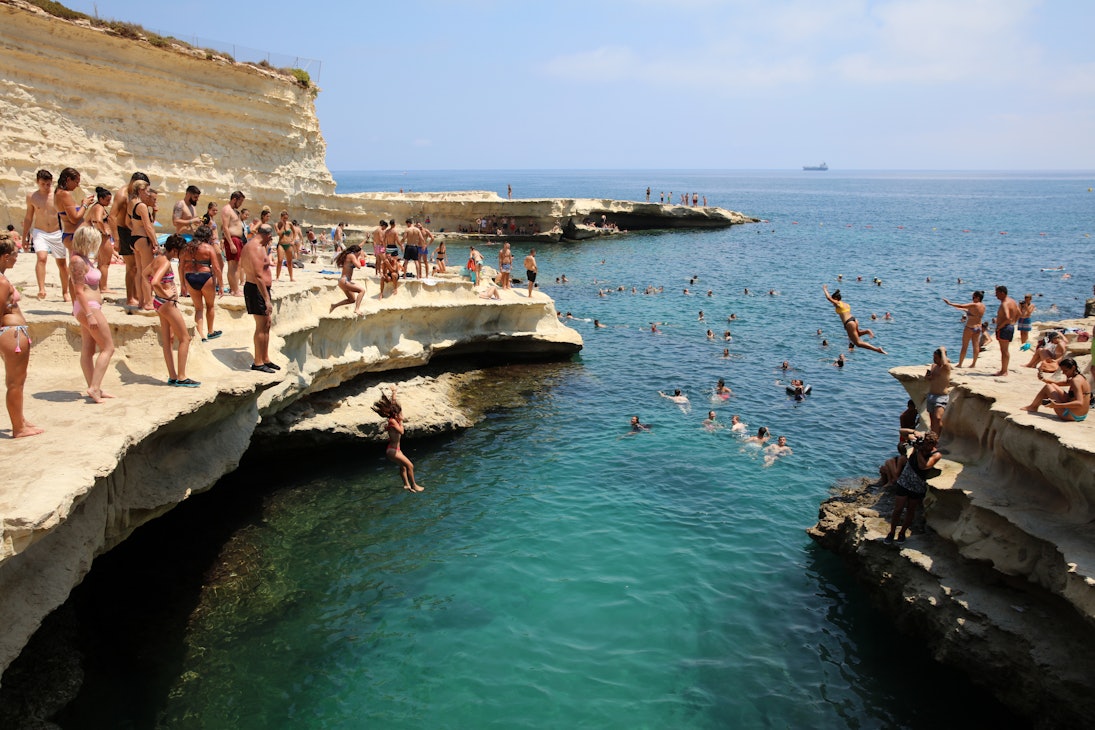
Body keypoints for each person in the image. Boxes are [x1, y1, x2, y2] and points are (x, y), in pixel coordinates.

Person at [0, 234, 43, 437]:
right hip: (12, 335)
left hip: (12, 334)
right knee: (15, 383)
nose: (17, 258)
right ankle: (18, 428)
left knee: (17, 381)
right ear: (4, 256)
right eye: (15, 255)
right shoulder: (0, 281)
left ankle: (20, 420)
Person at [69, 227, 116, 402]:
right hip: (88, 308)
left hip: (88, 307)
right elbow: (78, 291)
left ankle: (93, 387)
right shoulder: (77, 261)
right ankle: (95, 387)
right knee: (108, 347)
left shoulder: (82, 259)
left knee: (88, 349)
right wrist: (88, 314)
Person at [145, 235, 198, 386]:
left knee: (168, 340)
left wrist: (159, 291)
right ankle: (181, 376)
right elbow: (155, 281)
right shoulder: (166, 262)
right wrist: (165, 292)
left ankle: (173, 376)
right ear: (175, 250)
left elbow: (145, 274)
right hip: (167, 303)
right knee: (185, 338)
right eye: (180, 252)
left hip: (159, 303)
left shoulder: (157, 259)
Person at [884, 432, 941, 543]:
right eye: (924, 443)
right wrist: (915, 435)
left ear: (933, 444)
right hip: (904, 481)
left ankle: (902, 533)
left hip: (917, 485)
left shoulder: (936, 454)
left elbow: (923, 466)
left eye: (928, 444)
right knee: (898, 509)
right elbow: (904, 432)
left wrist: (919, 450)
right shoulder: (919, 446)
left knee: (911, 510)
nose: (926, 446)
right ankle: (891, 532)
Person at [22, 169, 68, 301]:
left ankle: (65, 292)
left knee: (62, 263)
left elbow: (67, 213)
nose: (46, 187)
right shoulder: (32, 197)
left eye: (48, 184)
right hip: (39, 231)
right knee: (41, 258)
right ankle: (41, 289)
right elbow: (28, 218)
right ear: (37, 182)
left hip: (56, 232)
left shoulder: (56, 195)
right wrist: (24, 237)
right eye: (43, 184)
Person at [372, 384, 424, 492]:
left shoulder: (395, 418)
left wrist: (394, 392)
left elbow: (393, 404)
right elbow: (402, 431)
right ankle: (414, 485)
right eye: (400, 413)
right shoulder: (392, 421)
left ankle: (406, 485)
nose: (402, 414)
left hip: (397, 450)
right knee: (410, 465)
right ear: (396, 414)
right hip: (392, 450)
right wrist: (401, 422)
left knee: (403, 466)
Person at [241, 224, 278, 373]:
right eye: (270, 236)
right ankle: (258, 362)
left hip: (261, 289)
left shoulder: (259, 245)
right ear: (266, 235)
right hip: (256, 289)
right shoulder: (255, 247)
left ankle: (265, 358)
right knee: (261, 325)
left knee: (267, 323)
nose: (271, 239)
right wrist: (266, 299)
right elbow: (257, 276)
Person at [109, 171, 149, 307]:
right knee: (131, 267)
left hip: (133, 230)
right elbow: (112, 216)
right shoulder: (122, 194)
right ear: (133, 182)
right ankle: (130, 297)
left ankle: (137, 295)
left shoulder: (136, 194)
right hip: (123, 232)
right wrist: (116, 238)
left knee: (139, 267)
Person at [180, 225, 222, 341]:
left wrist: (182, 284)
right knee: (210, 306)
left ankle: (200, 335)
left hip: (190, 277)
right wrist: (221, 285)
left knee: (198, 308)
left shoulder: (186, 248)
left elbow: (181, 267)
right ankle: (210, 331)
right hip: (205, 276)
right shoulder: (208, 248)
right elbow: (217, 268)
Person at [822, 284, 886, 354]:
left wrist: (825, 289)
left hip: (849, 323)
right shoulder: (846, 304)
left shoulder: (838, 303)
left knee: (858, 343)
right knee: (857, 334)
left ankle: (877, 349)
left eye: (833, 300)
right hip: (854, 320)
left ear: (836, 299)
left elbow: (828, 298)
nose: (832, 303)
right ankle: (866, 331)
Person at [1021, 358, 1090, 421]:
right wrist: (1043, 379)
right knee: (1052, 385)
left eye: (1065, 371)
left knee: (1048, 387)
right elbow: (1061, 383)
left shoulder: (1075, 381)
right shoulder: (1079, 377)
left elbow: (1079, 403)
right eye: (1062, 371)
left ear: (1073, 368)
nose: (1063, 373)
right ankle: (1034, 406)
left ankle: (1033, 407)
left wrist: (1056, 405)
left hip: (1071, 415)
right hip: (1081, 415)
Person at [126, 180, 159, 310]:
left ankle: (141, 301)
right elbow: (148, 226)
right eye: (146, 190)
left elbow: (128, 222)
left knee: (140, 272)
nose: (147, 193)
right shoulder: (142, 206)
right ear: (140, 190)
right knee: (147, 272)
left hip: (134, 238)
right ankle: (148, 302)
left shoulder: (131, 204)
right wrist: (155, 243)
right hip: (143, 239)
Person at [82, 186, 116, 294]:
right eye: (107, 200)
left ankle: (99, 285)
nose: (109, 202)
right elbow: (97, 220)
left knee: (101, 263)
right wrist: (104, 231)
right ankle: (103, 287)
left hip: (96, 236)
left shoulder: (97, 206)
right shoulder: (99, 207)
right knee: (105, 263)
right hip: (102, 237)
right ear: (100, 199)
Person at [942, 291, 986, 367]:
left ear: (977, 298)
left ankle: (960, 364)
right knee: (975, 345)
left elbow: (962, 305)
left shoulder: (974, 304)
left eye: (973, 297)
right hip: (978, 327)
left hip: (970, 327)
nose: (972, 299)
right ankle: (973, 364)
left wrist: (949, 303)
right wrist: (963, 310)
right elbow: (974, 313)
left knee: (964, 346)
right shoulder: (983, 306)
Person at [220, 191, 247, 296]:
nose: (241, 204)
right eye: (240, 201)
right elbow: (225, 227)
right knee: (234, 266)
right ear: (234, 199)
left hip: (236, 239)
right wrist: (231, 243)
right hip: (233, 239)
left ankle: (233, 289)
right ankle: (235, 290)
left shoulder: (233, 211)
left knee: (234, 265)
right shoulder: (227, 210)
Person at [330, 244, 367, 314]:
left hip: (343, 281)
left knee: (352, 300)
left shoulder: (350, 255)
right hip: (345, 281)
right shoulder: (351, 256)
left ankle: (334, 305)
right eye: (358, 253)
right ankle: (357, 309)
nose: (358, 255)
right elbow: (359, 266)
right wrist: (359, 257)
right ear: (356, 252)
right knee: (362, 291)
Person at [993, 285, 1020, 376]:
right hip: (1010, 327)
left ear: (1002, 293)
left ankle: (1004, 371)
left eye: (997, 293)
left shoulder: (1005, 303)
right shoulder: (1012, 301)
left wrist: (999, 327)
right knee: (1005, 350)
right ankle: (1004, 370)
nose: (995, 295)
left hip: (1004, 328)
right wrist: (1014, 322)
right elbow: (1019, 313)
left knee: (1004, 350)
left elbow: (1007, 317)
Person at [925, 347, 951, 436]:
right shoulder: (933, 366)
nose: (934, 359)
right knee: (932, 420)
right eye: (933, 357)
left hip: (941, 397)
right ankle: (933, 438)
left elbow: (945, 363)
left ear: (942, 358)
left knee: (938, 418)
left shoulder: (946, 367)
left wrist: (943, 350)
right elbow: (930, 378)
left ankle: (937, 438)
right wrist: (928, 377)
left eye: (936, 357)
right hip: (931, 395)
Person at [275, 210, 295, 282]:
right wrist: (283, 226)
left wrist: (293, 240)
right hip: (281, 244)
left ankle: (291, 277)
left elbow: (294, 232)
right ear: (281, 217)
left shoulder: (289, 224)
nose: (285, 220)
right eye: (284, 218)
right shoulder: (277, 224)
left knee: (289, 261)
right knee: (280, 260)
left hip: (288, 244)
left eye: (286, 218)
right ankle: (277, 277)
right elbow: (279, 234)